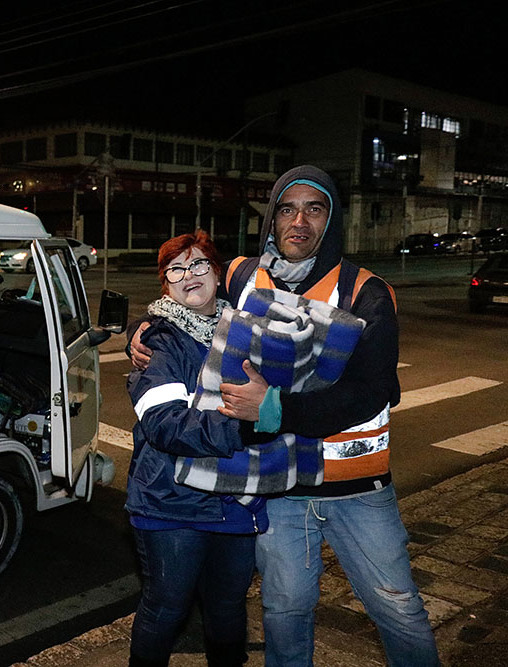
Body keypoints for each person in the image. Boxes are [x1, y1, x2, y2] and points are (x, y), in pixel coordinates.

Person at [130, 166, 438, 667]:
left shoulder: (366, 290)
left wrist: (274, 409)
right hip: (280, 489)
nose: (299, 220)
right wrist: (142, 331)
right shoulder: (243, 274)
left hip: (355, 487)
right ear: (271, 219)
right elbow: (188, 299)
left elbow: (376, 391)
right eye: (286, 209)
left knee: (398, 606)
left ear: (331, 219)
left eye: (314, 209)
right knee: (284, 611)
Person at [126, 230, 266, 667]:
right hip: (171, 504)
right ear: (165, 285)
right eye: (176, 268)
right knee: (165, 608)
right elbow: (164, 424)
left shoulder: (248, 332)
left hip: (236, 500)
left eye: (199, 263)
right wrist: (245, 426)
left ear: (218, 273)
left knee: (228, 611)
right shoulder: (160, 341)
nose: (189, 274)